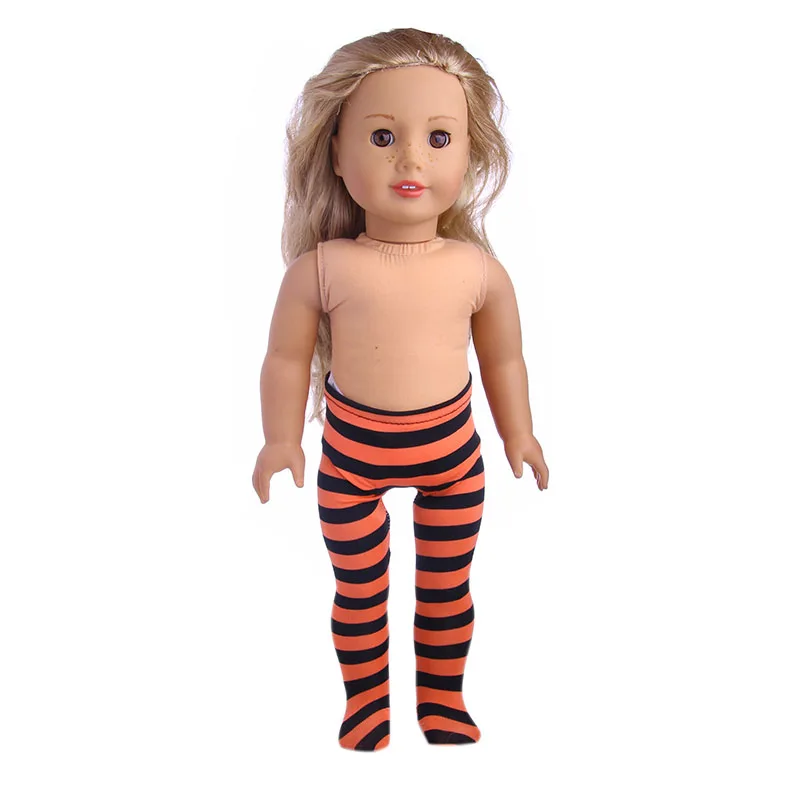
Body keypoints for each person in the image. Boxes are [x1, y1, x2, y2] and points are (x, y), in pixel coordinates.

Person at [252, 27, 549, 750]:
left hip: (453, 462)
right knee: (359, 594)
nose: (411, 159)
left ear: (471, 153)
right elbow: (285, 359)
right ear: (336, 152)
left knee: (448, 589)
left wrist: (519, 433)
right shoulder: (320, 269)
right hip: (350, 463)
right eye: (383, 137)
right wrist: (279, 440)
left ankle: (442, 700)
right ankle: (366, 704)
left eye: (438, 138)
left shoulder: (479, 272)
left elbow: (505, 361)